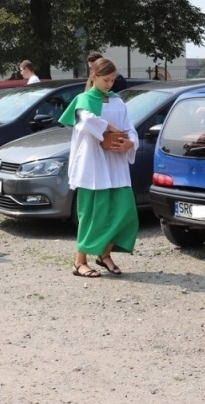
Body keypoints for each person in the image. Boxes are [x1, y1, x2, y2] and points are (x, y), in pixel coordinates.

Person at [59, 57, 140, 278]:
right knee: (92, 214)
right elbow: (85, 119)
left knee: (123, 212)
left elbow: (130, 127)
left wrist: (131, 142)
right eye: (106, 80)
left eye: (113, 80)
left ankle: (104, 255)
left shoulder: (117, 101)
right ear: (94, 76)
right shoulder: (83, 99)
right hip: (93, 166)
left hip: (116, 166)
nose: (110, 84)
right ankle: (79, 262)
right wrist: (110, 128)